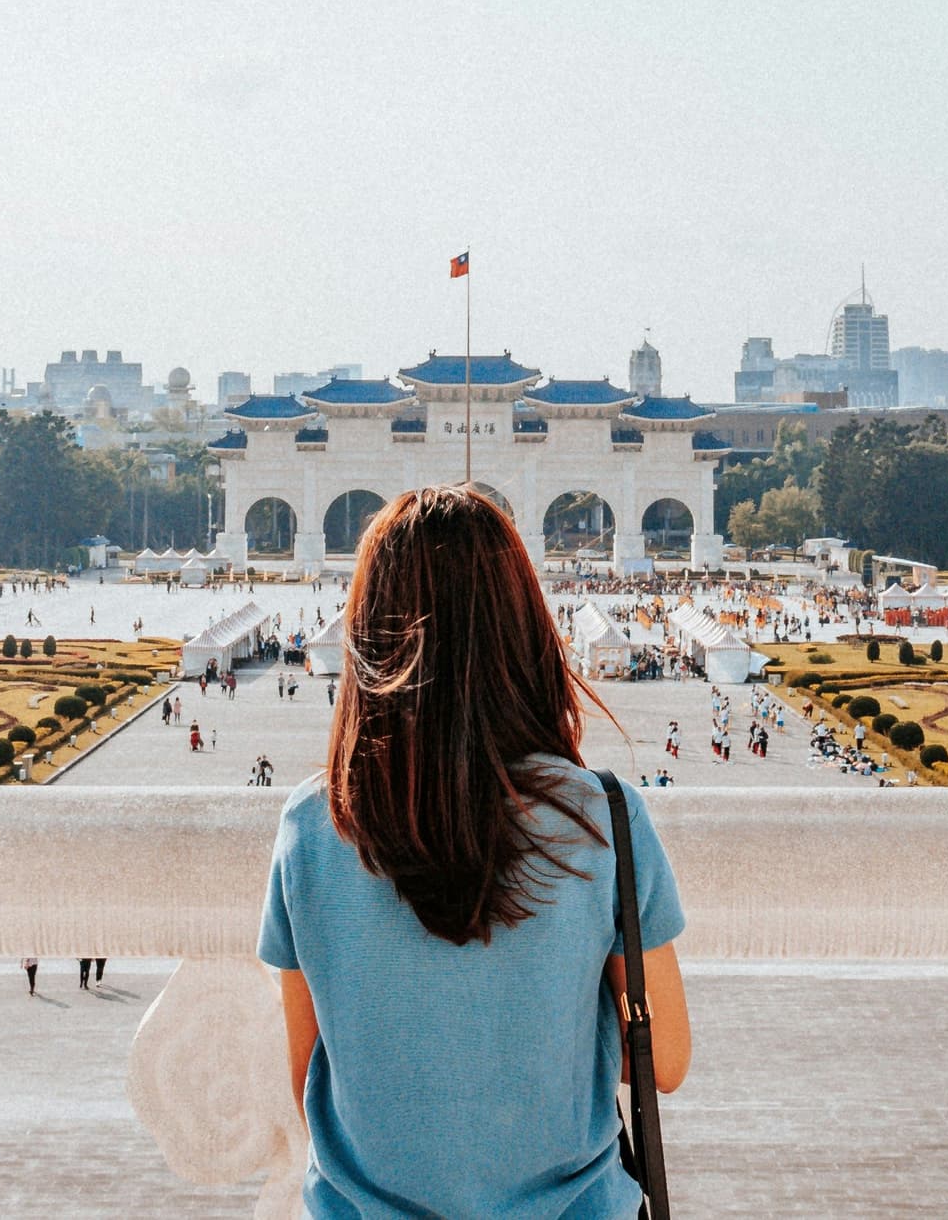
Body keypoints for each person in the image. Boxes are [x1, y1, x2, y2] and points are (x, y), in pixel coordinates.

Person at [262, 487, 690, 1220]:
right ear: (523, 629)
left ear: (370, 636)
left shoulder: (313, 825)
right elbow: (668, 1059)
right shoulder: (602, 817)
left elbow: (311, 1072)